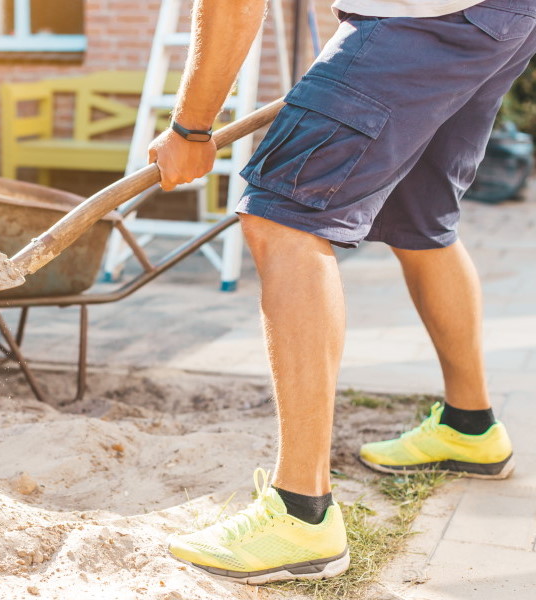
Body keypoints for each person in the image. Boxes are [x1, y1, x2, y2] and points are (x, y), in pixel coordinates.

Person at [148, 0, 533, 585]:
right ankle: (470, 428)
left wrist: (191, 128)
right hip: (498, 14)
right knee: (420, 214)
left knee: (285, 216)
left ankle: (301, 515)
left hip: (425, 17)